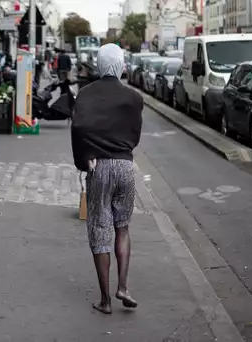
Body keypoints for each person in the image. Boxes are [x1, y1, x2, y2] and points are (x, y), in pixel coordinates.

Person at [71, 43, 144, 315]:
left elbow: (78, 127)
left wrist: (84, 159)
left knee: (100, 229)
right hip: (125, 166)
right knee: (122, 227)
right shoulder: (134, 98)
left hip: (98, 166)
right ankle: (123, 286)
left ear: (99, 65)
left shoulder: (86, 94)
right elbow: (135, 134)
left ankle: (105, 300)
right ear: (122, 65)